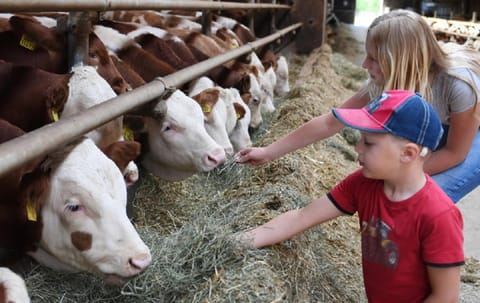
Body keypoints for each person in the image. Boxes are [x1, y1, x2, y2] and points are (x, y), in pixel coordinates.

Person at [236, 90, 464, 302]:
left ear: (407, 153)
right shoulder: (364, 184)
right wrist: (240, 241)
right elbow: (302, 217)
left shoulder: (438, 215)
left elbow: (445, 296)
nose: (358, 148)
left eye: (369, 142)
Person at [236, 9, 480, 203]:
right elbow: (330, 122)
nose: (364, 64)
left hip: (471, 133)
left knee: (428, 192)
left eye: (374, 58)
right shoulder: (383, 82)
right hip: (442, 121)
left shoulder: (457, 85)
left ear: (399, 60)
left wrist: (398, 174)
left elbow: (455, 153)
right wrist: (268, 152)